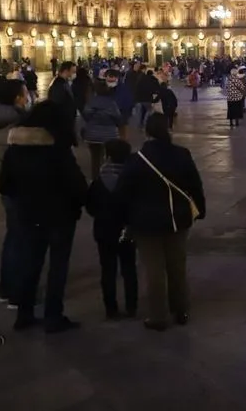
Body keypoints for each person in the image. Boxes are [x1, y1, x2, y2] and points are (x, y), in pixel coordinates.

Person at [0, 100, 88, 333]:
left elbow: (4, 184)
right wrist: (82, 201)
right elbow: (75, 183)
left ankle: (24, 314)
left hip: (27, 214)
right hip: (60, 216)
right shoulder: (57, 149)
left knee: (29, 263)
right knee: (58, 267)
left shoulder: (15, 147)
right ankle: (53, 315)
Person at [116, 113, 206, 331]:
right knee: (177, 265)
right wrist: (199, 210)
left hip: (146, 223)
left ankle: (157, 316)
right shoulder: (181, 154)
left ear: (147, 132)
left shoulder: (137, 159)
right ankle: (181, 309)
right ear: (168, 129)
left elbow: (122, 192)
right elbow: (195, 185)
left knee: (153, 268)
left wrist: (125, 219)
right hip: (177, 219)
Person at [0, 79, 29, 307]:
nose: (27, 96)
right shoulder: (20, 121)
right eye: (24, 93)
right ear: (17, 98)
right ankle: (17, 294)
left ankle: (7, 288)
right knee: (23, 238)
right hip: (22, 185)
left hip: (4, 183)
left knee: (13, 236)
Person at [86, 139, 138, 319]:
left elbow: (90, 206)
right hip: (127, 230)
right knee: (129, 268)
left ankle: (110, 308)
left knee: (107, 270)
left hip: (104, 230)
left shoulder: (99, 181)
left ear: (108, 155)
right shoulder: (132, 179)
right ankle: (132, 306)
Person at [82, 79, 123, 181]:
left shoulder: (91, 102)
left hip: (92, 135)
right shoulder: (112, 103)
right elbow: (118, 118)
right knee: (109, 158)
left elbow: (86, 115)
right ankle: (107, 179)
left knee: (95, 158)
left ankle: (95, 179)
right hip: (109, 135)